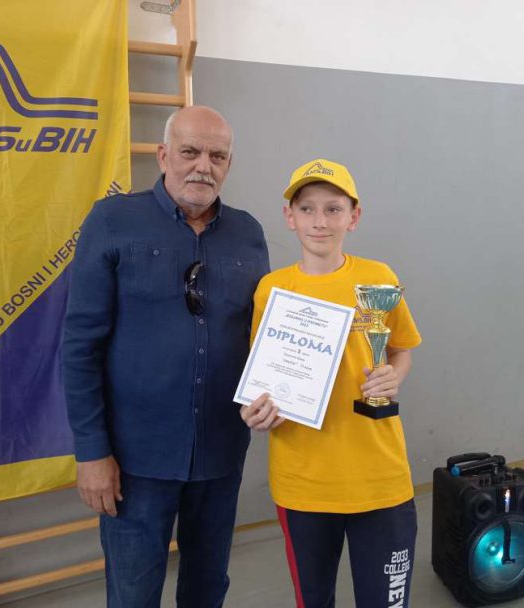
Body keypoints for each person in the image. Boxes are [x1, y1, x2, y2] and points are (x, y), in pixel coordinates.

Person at [62, 106, 270, 608]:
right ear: (162, 155)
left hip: (220, 453)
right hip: (135, 461)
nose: (204, 166)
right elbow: (80, 345)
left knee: (207, 589)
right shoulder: (112, 221)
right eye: (190, 152)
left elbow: (262, 336)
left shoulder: (249, 233)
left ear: (229, 164)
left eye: (217, 156)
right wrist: (91, 453)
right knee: (133, 595)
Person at [240, 158, 422, 608]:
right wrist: (256, 410)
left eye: (333, 209)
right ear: (289, 217)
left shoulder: (379, 278)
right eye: (307, 209)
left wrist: (393, 375)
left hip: (380, 479)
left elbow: (401, 349)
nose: (319, 221)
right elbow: (262, 378)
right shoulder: (271, 289)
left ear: (353, 217)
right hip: (303, 483)